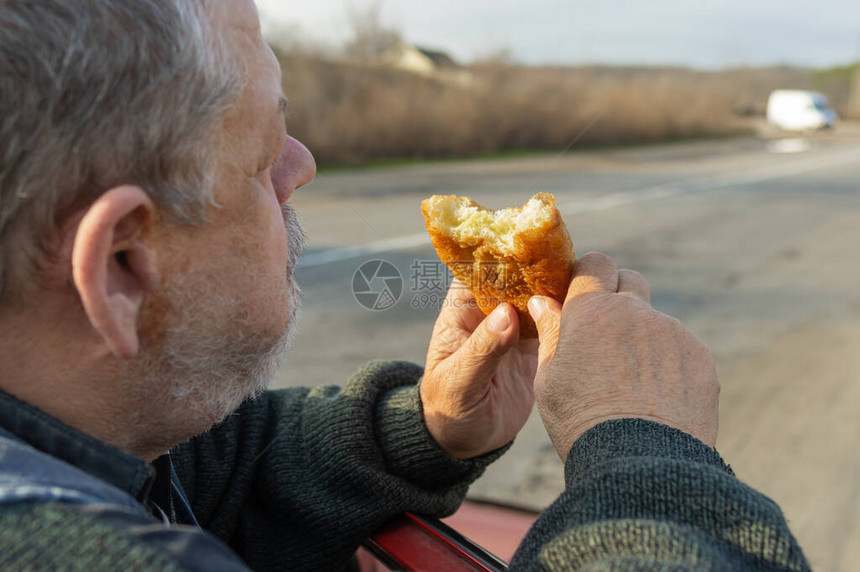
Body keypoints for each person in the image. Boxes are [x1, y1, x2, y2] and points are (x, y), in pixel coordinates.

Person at [0, 1, 809, 570]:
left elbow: (203, 476)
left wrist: (420, 428)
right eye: (260, 153)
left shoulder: (62, 425)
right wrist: (646, 452)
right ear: (122, 265)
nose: (302, 165)